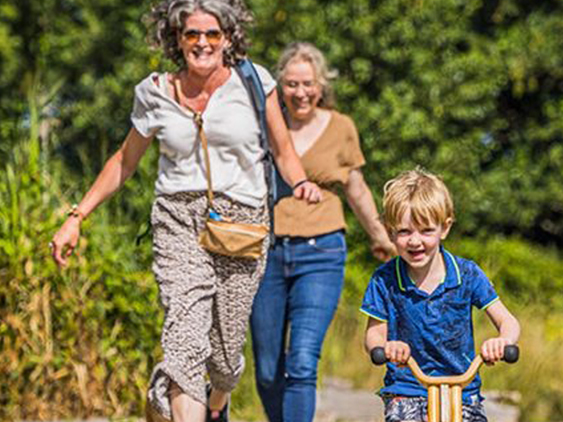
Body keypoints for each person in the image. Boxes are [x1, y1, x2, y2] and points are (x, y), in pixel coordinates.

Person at [47, 1, 323, 421]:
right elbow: (125, 160)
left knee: (227, 359)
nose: (202, 43)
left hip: (242, 222)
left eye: (212, 34)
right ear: (176, 38)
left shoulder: (253, 81)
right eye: (192, 34)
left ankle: (216, 402)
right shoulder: (154, 91)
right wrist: (76, 216)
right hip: (177, 220)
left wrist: (301, 182)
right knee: (185, 341)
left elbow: (283, 150)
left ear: (228, 38)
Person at [249, 42, 396, 422]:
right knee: (266, 370)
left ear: (321, 85)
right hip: (266, 252)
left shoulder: (341, 127)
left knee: (301, 360)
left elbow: (357, 188)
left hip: (322, 251)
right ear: (279, 85)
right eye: (292, 84)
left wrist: (381, 236)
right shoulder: (263, 123)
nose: (301, 93)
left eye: (308, 84)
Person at [360, 169, 521, 422]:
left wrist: (501, 341)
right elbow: (373, 335)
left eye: (426, 231)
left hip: (462, 390)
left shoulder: (467, 274)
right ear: (390, 232)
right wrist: (386, 347)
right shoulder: (384, 280)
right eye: (404, 232)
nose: (415, 241)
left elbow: (508, 322)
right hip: (407, 390)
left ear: (444, 228)